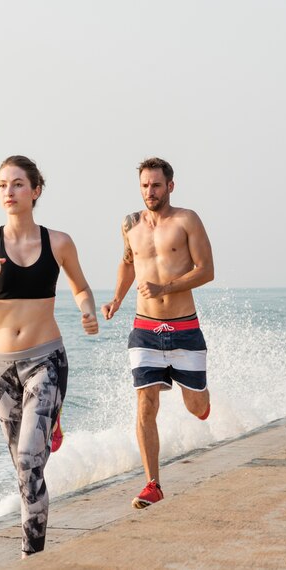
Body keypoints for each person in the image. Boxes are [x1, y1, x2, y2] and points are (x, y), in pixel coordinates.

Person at [0, 155, 98, 557]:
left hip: (45, 360)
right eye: (3, 185)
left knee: (28, 460)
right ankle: (50, 426)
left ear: (35, 191)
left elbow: (81, 288)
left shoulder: (59, 242)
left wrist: (87, 311)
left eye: (18, 184)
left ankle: (30, 555)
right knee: (23, 465)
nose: (9, 192)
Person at [102, 157, 214, 509]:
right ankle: (153, 483)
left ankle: (202, 400)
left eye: (155, 185)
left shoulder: (187, 220)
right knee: (146, 404)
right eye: (144, 185)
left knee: (195, 406)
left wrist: (165, 288)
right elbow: (127, 262)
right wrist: (117, 299)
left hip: (184, 329)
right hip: (145, 330)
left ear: (170, 186)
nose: (149, 191)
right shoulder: (130, 224)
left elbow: (207, 270)